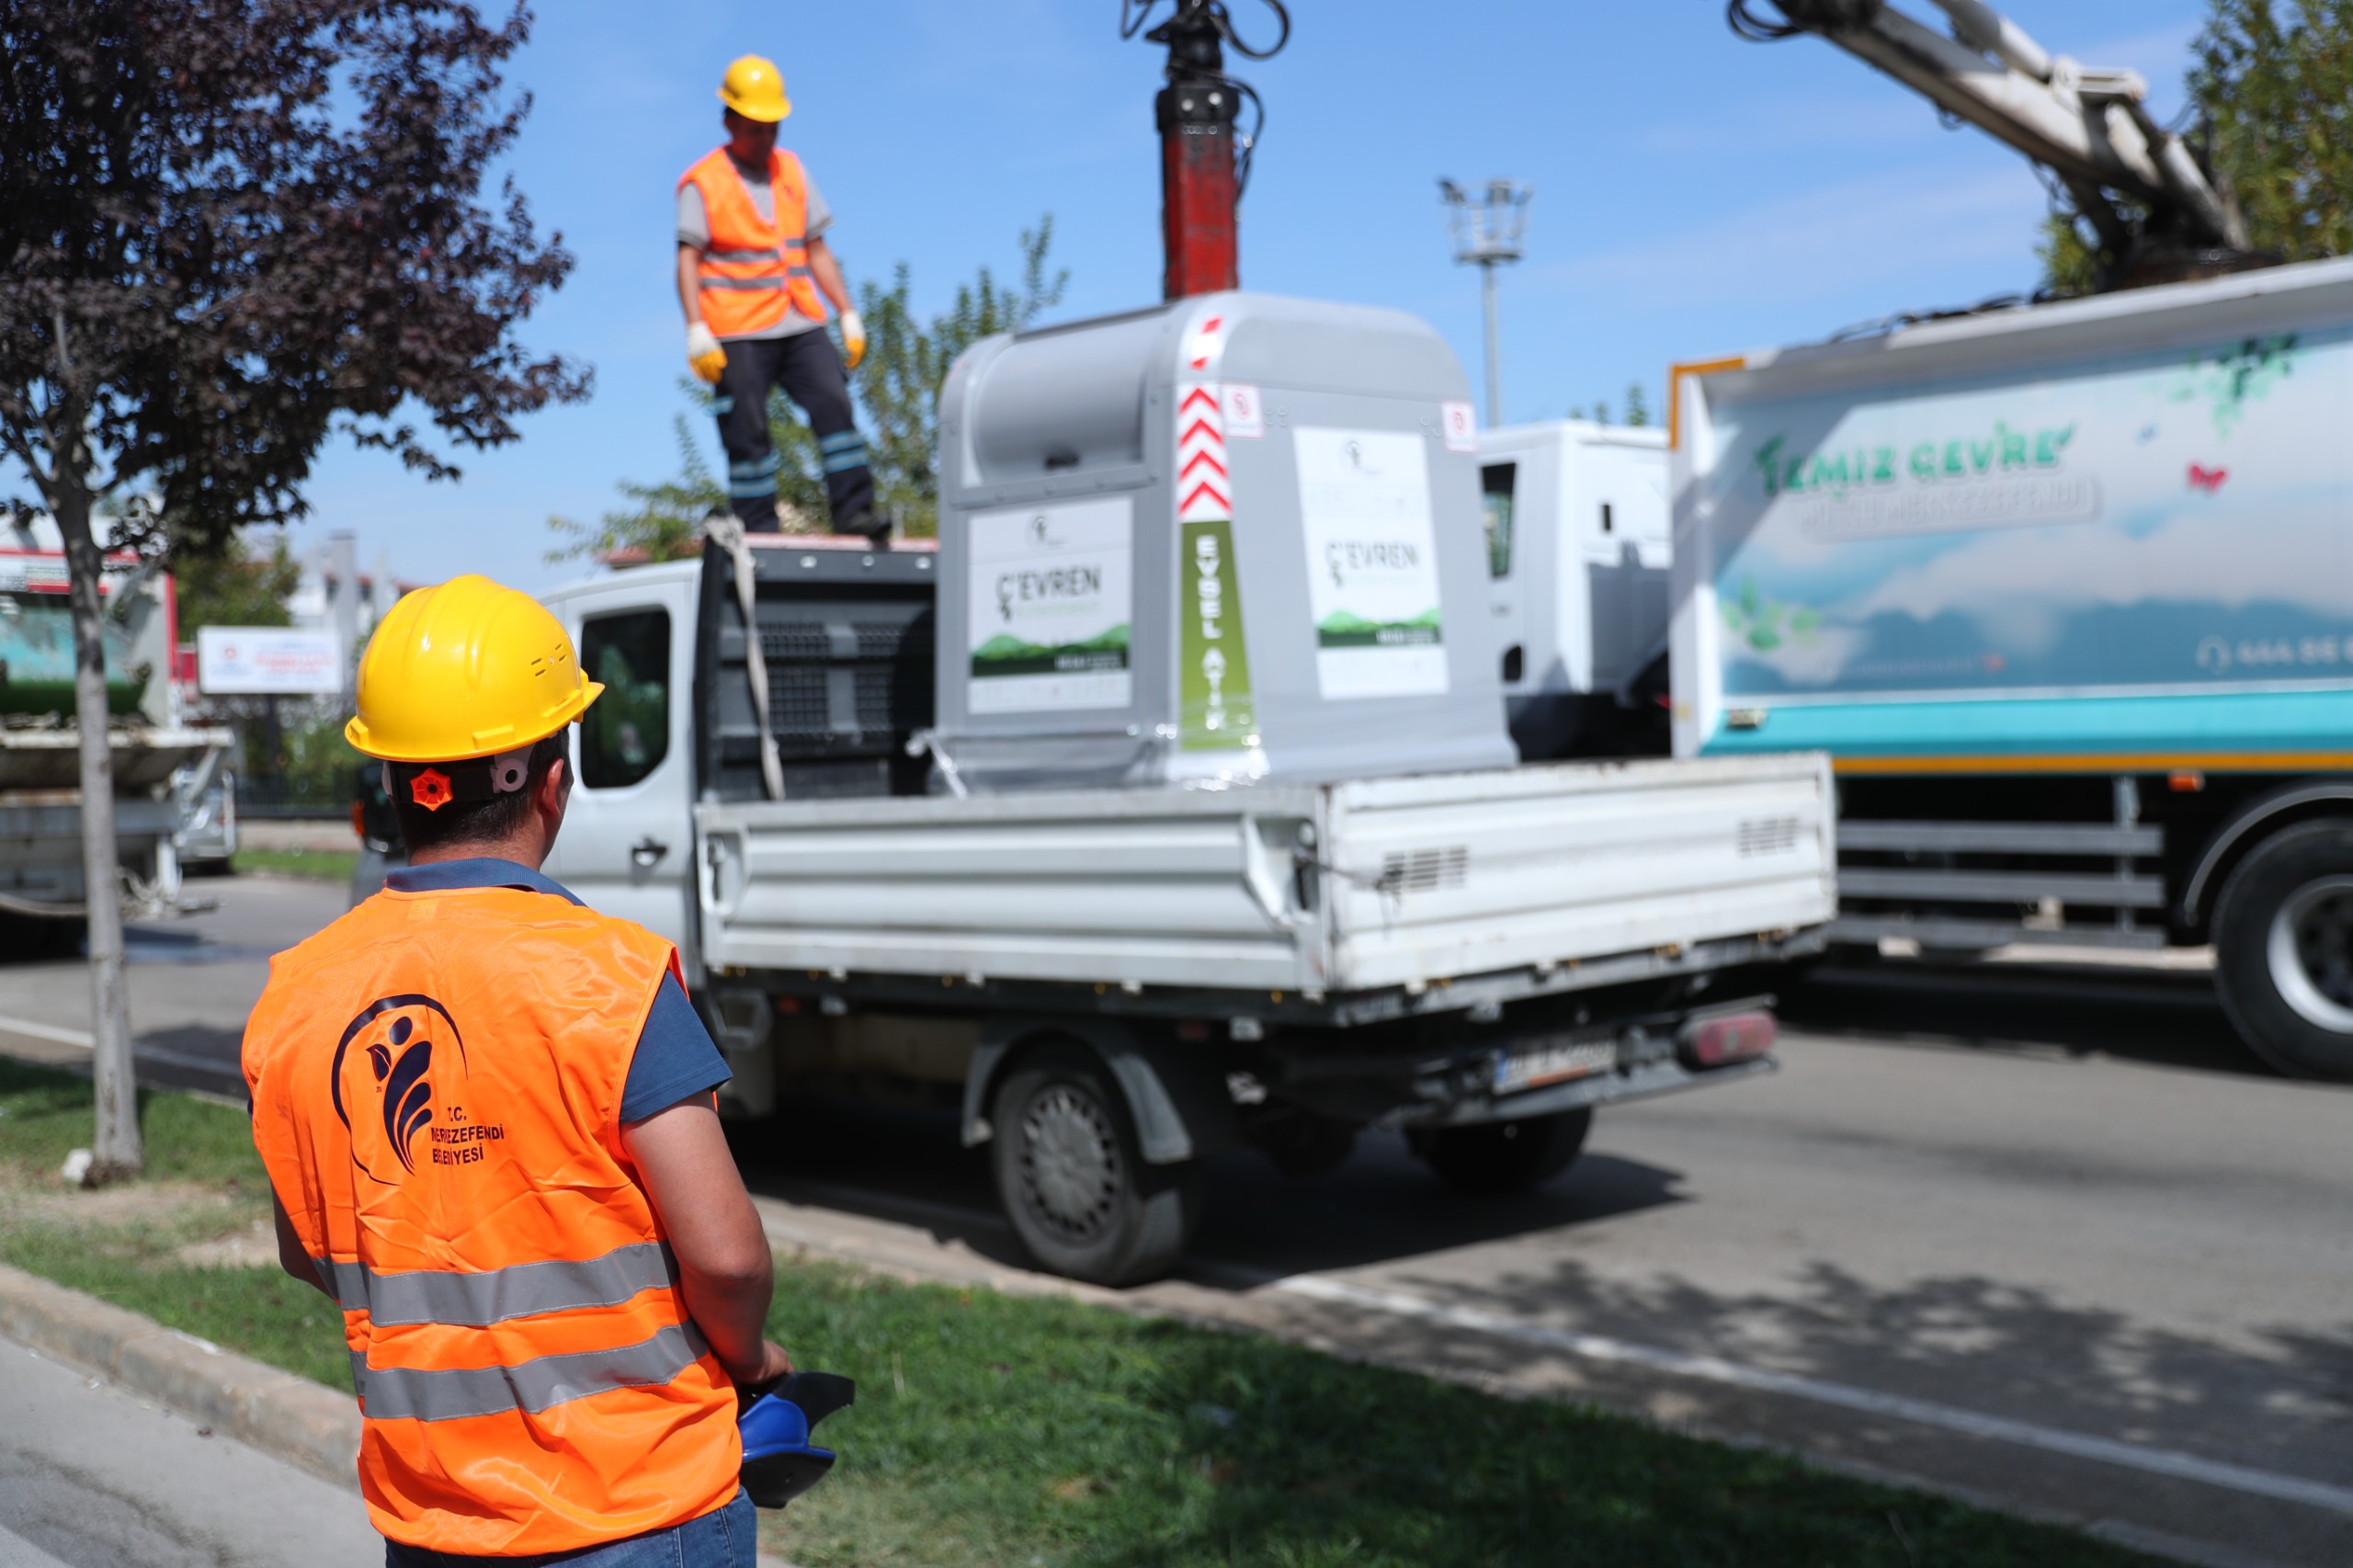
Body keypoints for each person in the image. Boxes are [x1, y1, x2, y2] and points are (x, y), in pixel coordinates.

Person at [243, 575, 791, 1565]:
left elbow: (305, 1246)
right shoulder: (612, 974)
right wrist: (751, 1357)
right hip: (636, 1505)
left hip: (434, 1519)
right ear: (551, 779)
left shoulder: (298, 995)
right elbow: (727, 1254)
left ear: (394, 787)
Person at [678, 53, 878, 540]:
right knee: (746, 428)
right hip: (737, 328)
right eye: (754, 127)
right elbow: (687, 260)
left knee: (834, 402)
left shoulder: (792, 171)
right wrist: (696, 328)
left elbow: (816, 249)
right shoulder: (702, 182)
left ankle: (856, 512)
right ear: (729, 120)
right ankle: (758, 529)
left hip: (799, 319)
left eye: (772, 127)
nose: (765, 137)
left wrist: (847, 313)